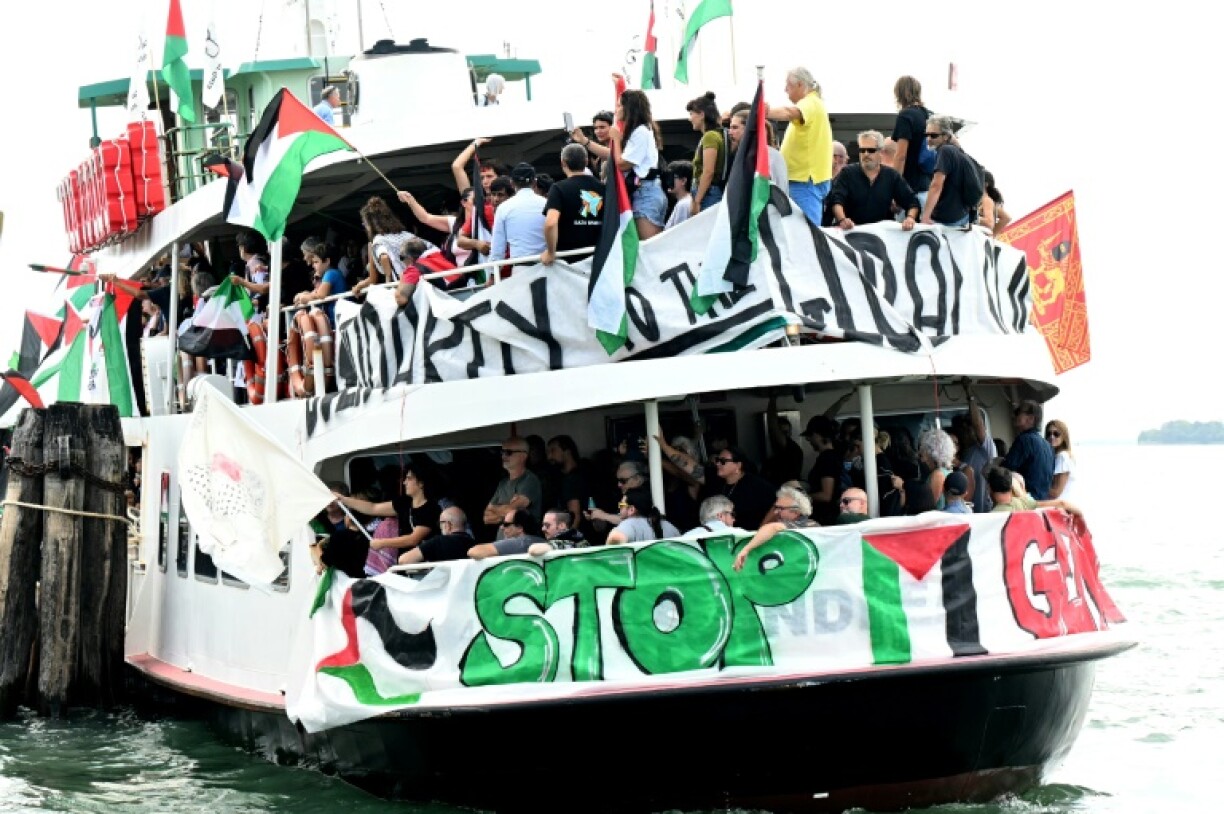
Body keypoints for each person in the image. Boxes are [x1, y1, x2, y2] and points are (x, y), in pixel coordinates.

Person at [576, 89, 666, 238]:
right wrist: (585, 141)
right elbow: (613, 155)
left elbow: (622, 163)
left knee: (649, 246)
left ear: (629, 107)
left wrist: (616, 140)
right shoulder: (640, 131)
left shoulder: (641, 132)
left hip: (646, 193)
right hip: (645, 191)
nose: (616, 110)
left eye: (619, 106)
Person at [766, 67, 833, 226]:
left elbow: (789, 113)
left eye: (787, 85)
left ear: (800, 85)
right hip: (802, 180)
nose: (785, 90)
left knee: (806, 235)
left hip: (804, 181)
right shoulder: (814, 103)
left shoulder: (810, 102)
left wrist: (763, 112)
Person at [335, 467, 441, 560]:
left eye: (409, 478)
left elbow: (413, 539)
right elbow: (373, 508)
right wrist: (343, 499)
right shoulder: (405, 502)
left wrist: (382, 543)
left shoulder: (431, 508)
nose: (404, 482)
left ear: (421, 483)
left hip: (424, 564)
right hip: (404, 563)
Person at [828, 130, 920, 230]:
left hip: (882, 235)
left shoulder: (891, 176)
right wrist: (842, 220)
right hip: (852, 233)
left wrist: (910, 219)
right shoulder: (847, 173)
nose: (866, 154)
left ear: (880, 152)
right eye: (862, 150)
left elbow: (912, 202)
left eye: (871, 150)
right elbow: (836, 200)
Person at [541, 144, 604, 265]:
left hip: (568, 261)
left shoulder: (558, 188)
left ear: (563, 162)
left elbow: (550, 223)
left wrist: (550, 252)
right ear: (586, 162)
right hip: (598, 257)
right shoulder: (603, 187)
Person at [920, 116, 982, 228]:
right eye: (926, 135)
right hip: (962, 216)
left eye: (933, 135)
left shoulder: (945, 151)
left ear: (945, 136)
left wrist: (925, 217)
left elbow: (936, 185)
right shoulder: (957, 151)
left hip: (947, 219)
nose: (928, 139)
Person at [353, 197, 421, 297]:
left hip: (404, 288)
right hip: (421, 281)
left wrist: (388, 282)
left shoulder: (377, 241)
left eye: (365, 224)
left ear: (370, 224)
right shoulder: (407, 235)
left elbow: (381, 261)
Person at [483, 436, 544, 537]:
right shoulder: (502, 483)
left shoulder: (529, 480)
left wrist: (496, 509)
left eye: (509, 452)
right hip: (503, 543)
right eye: (502, 452)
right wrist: (509, 510)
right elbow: (487, 517)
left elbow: (512, 512)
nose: (504, 456)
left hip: (522, 543)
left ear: (523, 456)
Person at [490, 163, 547, 266]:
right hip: (548, 265)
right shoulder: (546, 203)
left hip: (520, 269)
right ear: (534, 182)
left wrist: (493, 274)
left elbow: (497, 248)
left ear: (512, 183)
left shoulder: (503, 208)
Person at [890, 76, 934, 207]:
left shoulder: (906, 116)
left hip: (910, 190)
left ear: (899, 93)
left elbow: (901, 155)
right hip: (928, 188)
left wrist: (894, 188)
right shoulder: (929, 115)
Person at [710, 446, 775, 530]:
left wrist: (761, 530)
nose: (717, 464)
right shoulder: (716, 483)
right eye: (717, 460)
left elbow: (776, 506)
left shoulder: (757, 486)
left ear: (738, 465)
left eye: (722, 461)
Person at [1003, 400, 1055, 500]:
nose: (1015, 415)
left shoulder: (1024, 440)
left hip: (1026, 502)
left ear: (1031, 419)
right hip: (1041, 502)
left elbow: (1006, 470)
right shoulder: (1047, 445)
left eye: (1018, 412)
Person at [685, 91, 727, 215]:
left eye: (692, 114)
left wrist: (697, 200)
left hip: (709, 194)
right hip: (712, 193)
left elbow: (708, 171)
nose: (690, 118)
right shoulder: (719, 135)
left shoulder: (710, 136)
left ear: (702, 114)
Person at [988, 467, 1083, 517]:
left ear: (990, 489)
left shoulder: (990, 517)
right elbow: (1062, 503)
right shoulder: (1025, 503)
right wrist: (1081, 517)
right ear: (1010, 486)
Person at [292, 241, 348, 326]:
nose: (313, 265)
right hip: (336, 319)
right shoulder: (329, 273)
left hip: (339, 319)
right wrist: (303, 295)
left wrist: (305, 298)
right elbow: (316, 292)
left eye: (316, 262)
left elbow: (321, 294)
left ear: (327, 261)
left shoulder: (331, 273)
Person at [606, 487, 680, 544]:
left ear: (631, 509)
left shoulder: (629, 524)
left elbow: (615, 539)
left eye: (621, 505)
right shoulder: (669, 526)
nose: (619, 508)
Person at [401, 506, 473, 564]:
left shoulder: (438, 542)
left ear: (448, 525)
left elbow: (404, 560)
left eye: (440, 523)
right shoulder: (474, 544)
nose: (440, 526)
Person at [469, 509, 546, 558]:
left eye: (506, 524)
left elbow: (474, 552)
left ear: (519, 528)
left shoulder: (519, 542)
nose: (502, 528)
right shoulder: (542, 541)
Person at [917, 428, 956, 510]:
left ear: (931, 451)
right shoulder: (944, 471)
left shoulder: (937, 474)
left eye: (923, 449)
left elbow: (928, 505)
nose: (920, 452)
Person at [1045, 419, 1077, 501]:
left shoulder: (1062, 457)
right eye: (1049, 434)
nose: (1051, 437)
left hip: (1059, 507)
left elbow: (1056, 492)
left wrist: (1033, 486)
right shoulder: (1059, 456)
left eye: (1056, 434)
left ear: (1063, 436)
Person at [665, 160, 695, 229]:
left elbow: (678, 233)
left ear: (683, 181)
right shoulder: (687, 201)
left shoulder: (683, 205)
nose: (668, 180)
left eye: (671, 177)